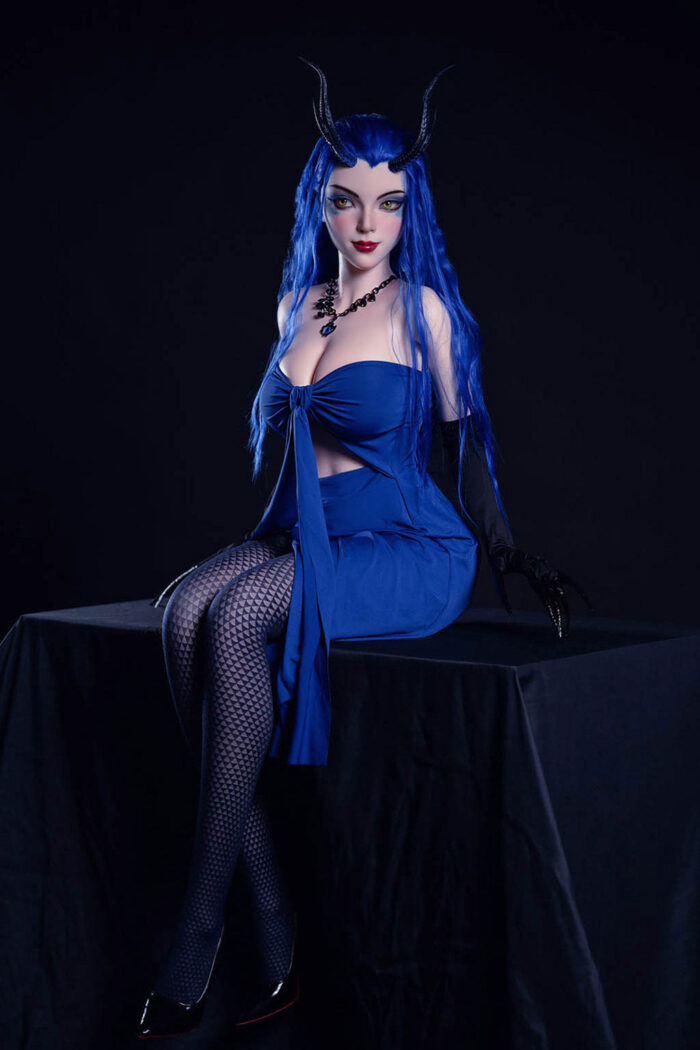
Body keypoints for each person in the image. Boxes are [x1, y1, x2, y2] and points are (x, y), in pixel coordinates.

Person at [136, 58, 592, 1039]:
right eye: (346, 199)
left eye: (388, 200)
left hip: (410, 546)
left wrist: (511, 553)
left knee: (237, 617)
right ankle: (272, 916)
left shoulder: (423, 312)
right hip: (312, 529)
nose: (366, 220)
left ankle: (200, 924)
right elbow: (292, 450)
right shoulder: (297, 307)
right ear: (322, 203)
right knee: (180, 613)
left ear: (408, 207)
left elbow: (467, 446)